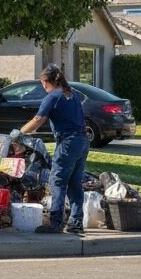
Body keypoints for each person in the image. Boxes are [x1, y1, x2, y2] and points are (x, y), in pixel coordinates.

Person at [9, 64, 89, 234]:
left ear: (45, 82)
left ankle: (55, 222)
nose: (42, 86)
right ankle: (75, 222)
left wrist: (19, 133)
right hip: (82, 140)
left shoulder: (53, 97)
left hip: (68, 142)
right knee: (75, 183)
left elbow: (38, 119)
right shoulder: (71, 93)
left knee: (57, 181)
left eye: (42, 83)